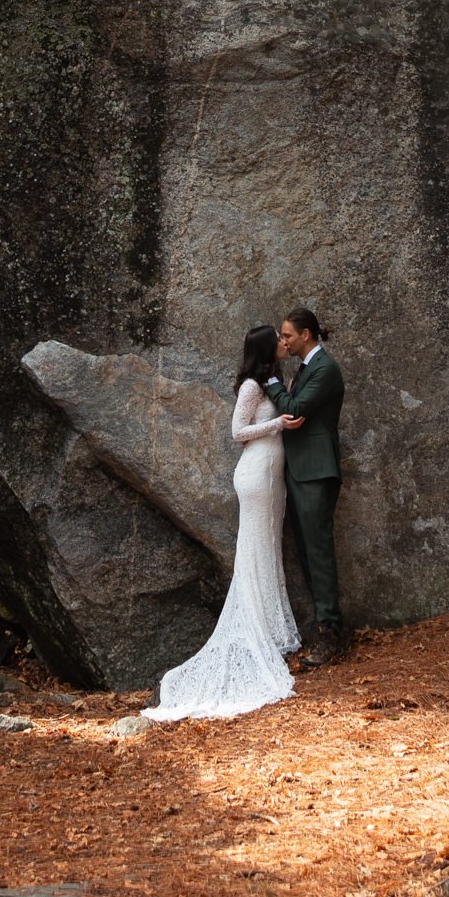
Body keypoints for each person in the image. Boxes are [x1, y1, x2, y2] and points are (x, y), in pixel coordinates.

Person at [144, 325, 303, 721]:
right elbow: (237, 432)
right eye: (279, 340)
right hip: (255, 472)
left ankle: (271, 629)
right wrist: (276, 425)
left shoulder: (272, 380)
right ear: (266, 348)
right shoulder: (252, 384)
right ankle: (256, 633)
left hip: (272, 471)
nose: (285, 344)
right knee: (255, 548)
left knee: (267, 547)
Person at [273, 306, 346, 664]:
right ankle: (323, 631)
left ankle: (331, 636)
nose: (283, 341)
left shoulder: (325, 369)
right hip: (300, 471)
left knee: (318, 552)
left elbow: (297, 410)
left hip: (317, 471)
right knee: (306, 552)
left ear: (305, 335)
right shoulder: (305, 369)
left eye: (287, 335)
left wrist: (271, 382)